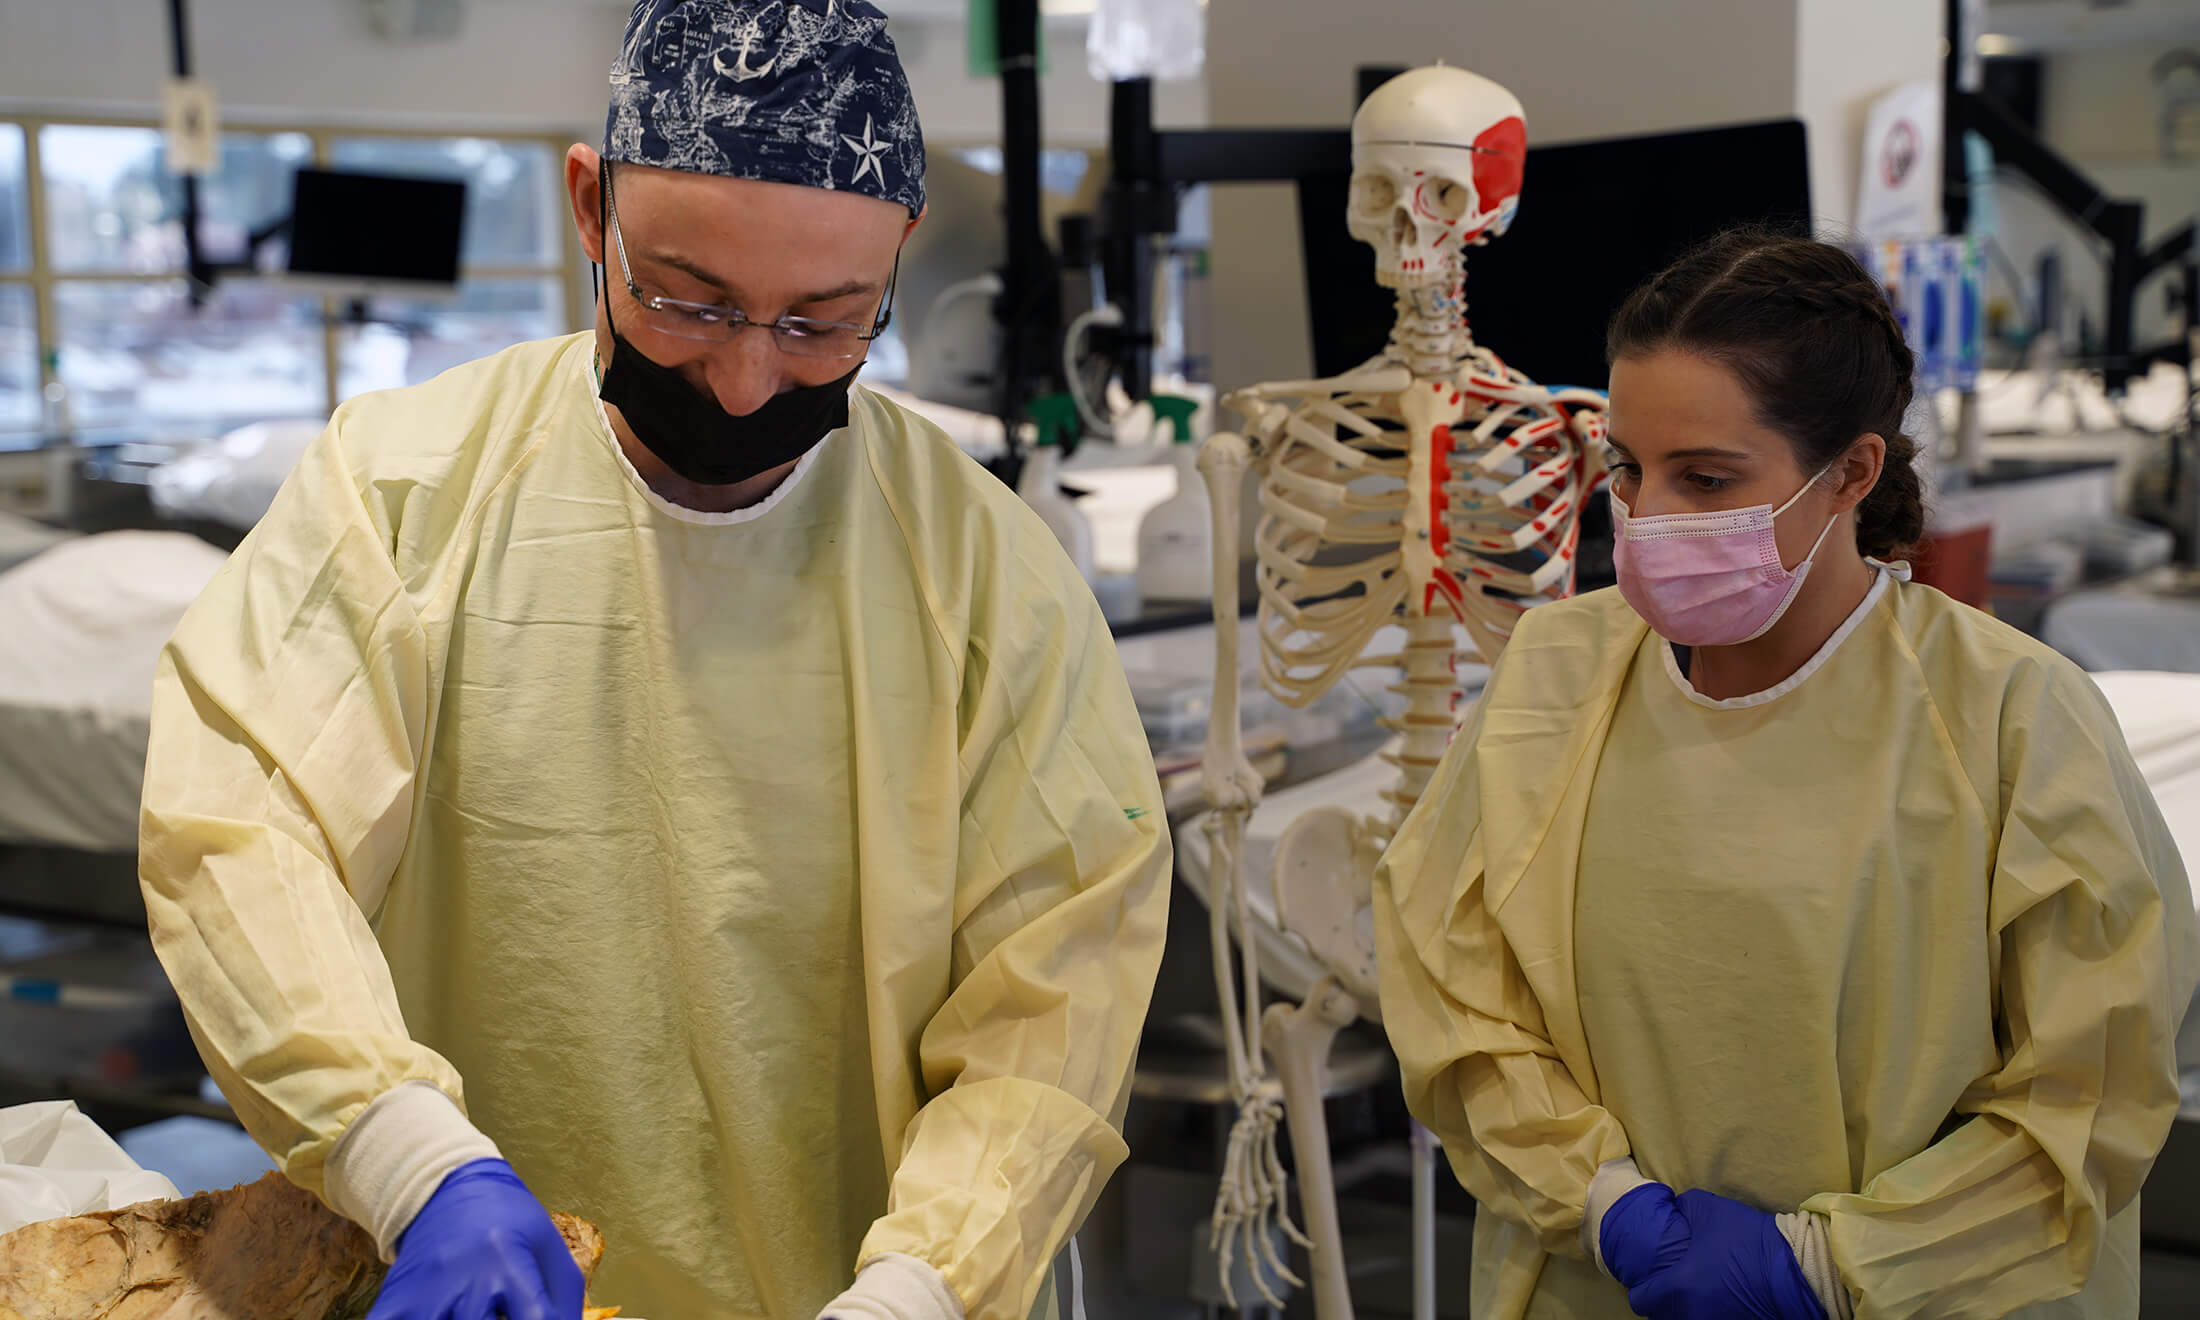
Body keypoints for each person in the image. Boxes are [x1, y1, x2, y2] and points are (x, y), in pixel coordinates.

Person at [136, 4, 1172, 1319]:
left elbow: (1060, 984)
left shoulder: (983, 575)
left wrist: (925, 1285)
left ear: (900, 257)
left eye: (822, 323)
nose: (745, 382)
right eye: (688, 303)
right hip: (446, 1266)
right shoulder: (397, 496)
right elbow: (240, 829)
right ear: (589, 209)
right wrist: (409, 1161)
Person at [1373, 230, 2199, 1320]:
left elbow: (2089, 1091)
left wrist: (1831, 1267)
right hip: (1597, 1282)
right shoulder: (1557, 676)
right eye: (1626, 468)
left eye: (1705, 478)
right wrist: (1604, 1201)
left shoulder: (2007, 716)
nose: (1649, 517)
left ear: (1850, 471)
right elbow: (1450, 981)